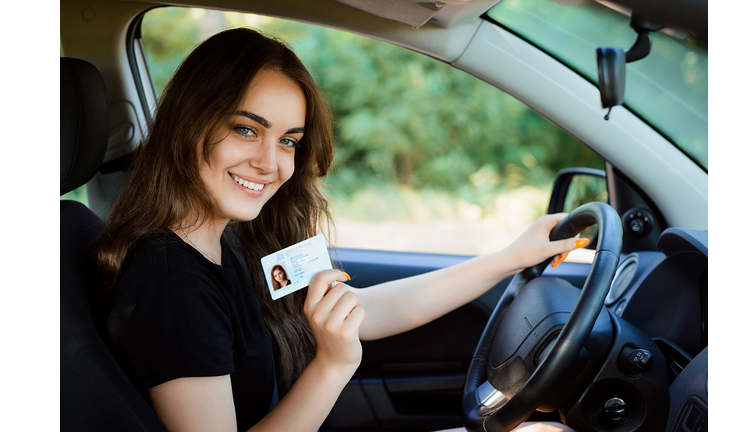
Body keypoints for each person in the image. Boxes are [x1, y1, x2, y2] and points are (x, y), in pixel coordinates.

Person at [96, 27, 583, 432]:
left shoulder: (232, 239)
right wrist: (332, 365)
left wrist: (509, 258)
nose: (270, 162)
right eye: (246, 129)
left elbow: (361, 311)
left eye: (288, 141)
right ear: (189, 123)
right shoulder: (170, 284)